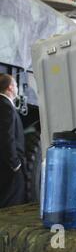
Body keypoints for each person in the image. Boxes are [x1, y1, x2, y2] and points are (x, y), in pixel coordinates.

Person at [0, 74, 25, 208]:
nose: (16, 88)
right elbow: (6, 137)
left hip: (4, 164)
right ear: (10, 87)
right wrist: (14, 163)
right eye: (15, 85)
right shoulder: (5, 106)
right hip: (9, 166)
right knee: (10, 203)